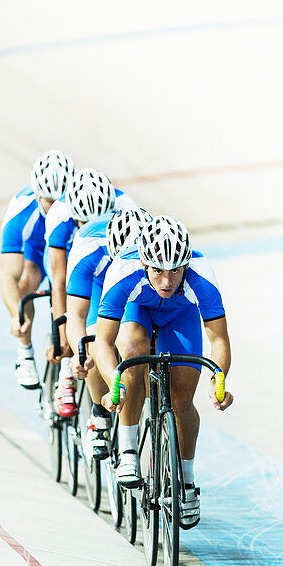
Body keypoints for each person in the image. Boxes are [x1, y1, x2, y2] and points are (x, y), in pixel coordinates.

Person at [93, 216, 233, 529]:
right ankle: (128, 447)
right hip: (138, 311)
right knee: (132, 352)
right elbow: (102, 342)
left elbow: (219, 339)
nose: (167, 281)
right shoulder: (123, 272)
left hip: (181, 318)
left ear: (187, 265)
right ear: (144, 264)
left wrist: (218, 380)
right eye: (157, 270)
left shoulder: (202, 275)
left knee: (182, 400)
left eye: (175, 271)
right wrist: (114, 383)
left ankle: (185, 482)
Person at [60, 208, 151, 457]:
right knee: (93, 338)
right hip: (101, 286)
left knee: (136, 343)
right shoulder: (87, 248)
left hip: (142, 285)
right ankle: (100, 412)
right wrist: (80, 354)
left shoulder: (154, 245)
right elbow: (76, 315)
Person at [0, 150, 74, 389]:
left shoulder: (79, 206)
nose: (55, 209)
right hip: (37, 248)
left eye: (61, 201)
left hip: (68, 247)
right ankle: (25, 352)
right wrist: (15, 314)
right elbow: (8, 275)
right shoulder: (21, 214)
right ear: (37, 195)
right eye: (50, 202)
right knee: (25, 283)